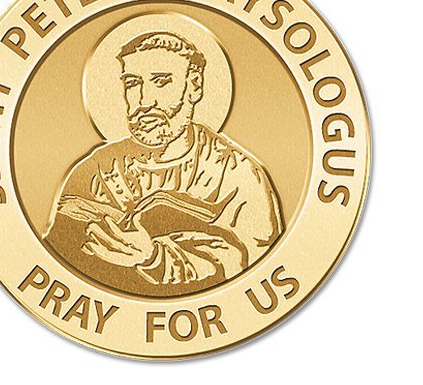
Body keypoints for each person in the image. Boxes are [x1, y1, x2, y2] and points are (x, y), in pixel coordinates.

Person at [44, 31, 284, 295]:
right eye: (132, 83)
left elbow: (254, 271)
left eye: (161, 81)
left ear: (194, 86)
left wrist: (155, 258)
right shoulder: (97, 170)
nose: (144, 100)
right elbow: (59, 260)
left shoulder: (237, 175)